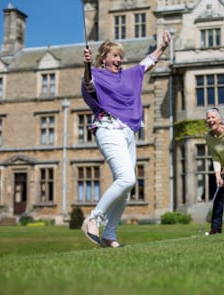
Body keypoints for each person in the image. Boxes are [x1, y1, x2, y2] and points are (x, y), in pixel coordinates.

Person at [80, 31, 171, 248]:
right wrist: (86, 65)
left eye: (120, 56)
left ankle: (110, 235)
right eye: (114, 56)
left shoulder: (129, 75)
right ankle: (94, 219)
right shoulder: (96, 74)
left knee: (125, 189)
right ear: (104, 58)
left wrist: (162, 47)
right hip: (108, 129)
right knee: (127, 179)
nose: (119, 60)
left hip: (129, 133)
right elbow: (88, 84)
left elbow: (146, 64)